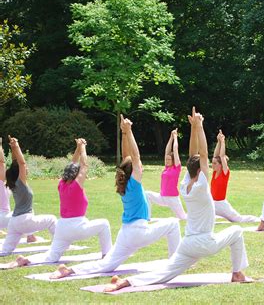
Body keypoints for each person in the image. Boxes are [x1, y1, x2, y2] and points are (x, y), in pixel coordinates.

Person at [103, 107, 250, 292]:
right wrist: (200, 125)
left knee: (166, 272)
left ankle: (128, 282)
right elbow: (202, 155)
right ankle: (237, 273)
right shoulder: (203, 186)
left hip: (188, 243)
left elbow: (194, 156)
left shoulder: (185, 185)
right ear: (201, 170)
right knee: (236, 230)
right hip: (205, 242)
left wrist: (195, 128)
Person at [50, 115, 181, 279]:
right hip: (139, 232)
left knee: (106, 265)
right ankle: (175, 263)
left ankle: (71, 270)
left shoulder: (125, 181)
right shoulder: (134, 182)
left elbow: (128, 156)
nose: (140, 166)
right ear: (133, 170)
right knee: (173, 223)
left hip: (125, 233)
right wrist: (129, 131)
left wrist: (124, 133)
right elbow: (135, 156)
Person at [7, 139, 113, 268]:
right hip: (77, 226)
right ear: (76, 175)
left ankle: (26, 259)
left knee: (51, 256)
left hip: (62, 228)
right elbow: (84, 166)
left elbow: (72, 164)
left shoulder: (61, 184)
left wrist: (78, 148)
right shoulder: (76, 185)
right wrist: (83, 147)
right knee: (104, 224)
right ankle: (106, 255)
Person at [1, 136, 56, 254]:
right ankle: (59, 244)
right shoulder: (21, 182)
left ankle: (6, 250)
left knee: (4, 251)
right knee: (52, 219)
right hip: (25, 220)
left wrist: (13, 148)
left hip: (14, 223)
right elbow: (22, 163)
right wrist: (17, 146)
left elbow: (16, 164)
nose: (26, 169)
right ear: (19, 172)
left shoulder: (12, 182)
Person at [212, 130, 259, 223]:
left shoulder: (225, 173)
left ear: (221, 165)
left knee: (238, 219)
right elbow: (216, 155)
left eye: (214, 163)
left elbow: (221, 156)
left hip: (221, 204)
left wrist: (223, 141)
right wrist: (218, 141)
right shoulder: (215, 172)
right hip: (213, 203)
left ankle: (259, 219)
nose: (212, 165)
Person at [146, 129, 187, 220]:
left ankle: (200, 217)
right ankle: (147, 217)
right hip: (162, 197)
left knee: (183, 217)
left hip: (173, 198)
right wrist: (171, 137)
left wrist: (176, 137)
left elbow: (175, 150)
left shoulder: (177, 168)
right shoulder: (166, 168)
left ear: (173, 160)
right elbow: (167, 150)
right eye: (166, 159)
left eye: (169, 160)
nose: (167, 161)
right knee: (147, 194)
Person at [0, 137, 12, 233]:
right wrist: (0, 146)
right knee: (27, 212)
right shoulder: (1, 183)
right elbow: (2, 163)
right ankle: (30, 236)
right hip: (4, 217)